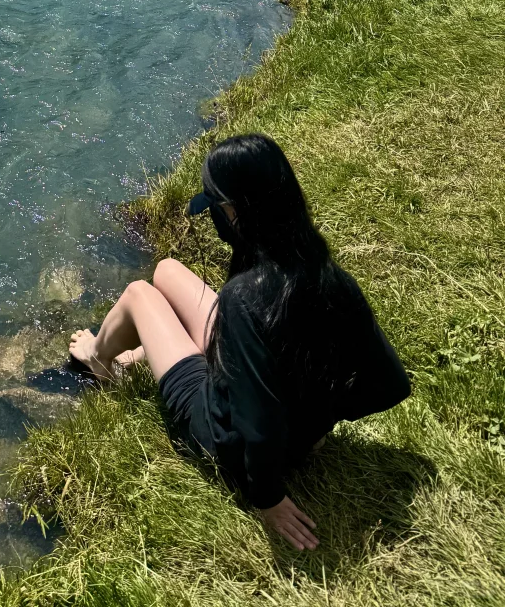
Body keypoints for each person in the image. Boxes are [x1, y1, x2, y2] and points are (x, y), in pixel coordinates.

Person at [68, 133, 410, 551]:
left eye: (214, 205)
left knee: (140, 293)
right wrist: (316, 424)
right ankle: (144, 351)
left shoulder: (243, 299)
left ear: (232, 211)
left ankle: (97, 358)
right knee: (167, 270)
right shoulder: (327, 275)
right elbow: (392, 384)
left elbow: (258, 420)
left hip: (217, 430)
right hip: (278, 409)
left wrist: (268, 498)